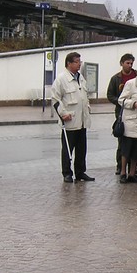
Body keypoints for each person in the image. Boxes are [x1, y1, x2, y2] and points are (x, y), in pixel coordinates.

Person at [50, 51, 93, 183]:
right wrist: (63, 114)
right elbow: (55, 99)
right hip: (70, 121)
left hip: (82, 121)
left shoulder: (81, 78)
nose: (79, 64)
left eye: (80, 61)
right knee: (68, 149)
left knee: (81, 149)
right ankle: (67, 173)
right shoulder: (62, 79)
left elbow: (84, 97)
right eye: (76, 61)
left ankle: (80, 172)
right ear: (69, 63)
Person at [107, 53, 137, 174]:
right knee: (122, 140)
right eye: (127, 63)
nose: (129, 65)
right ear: (122, 63)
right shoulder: (116, 78)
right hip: (121, 113)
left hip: (136, 112)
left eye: (131, 63)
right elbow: (110, 95)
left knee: (134, 140)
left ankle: (132, 168)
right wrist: (120, 102)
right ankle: (121, 166)